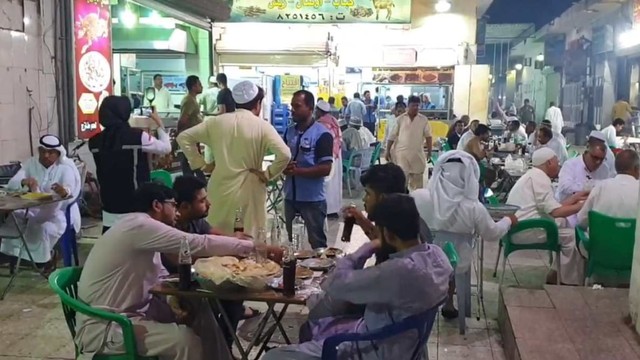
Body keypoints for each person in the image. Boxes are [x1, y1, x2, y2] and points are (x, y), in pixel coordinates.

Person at [75, 183, 280, 360]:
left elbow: (161, 275)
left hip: (136, 311)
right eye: (173, 205)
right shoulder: (139, 226)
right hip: (109, 324)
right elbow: (195, 243)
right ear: (157, 205)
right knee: (185, 341)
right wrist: (257, 247)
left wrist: (176, 303)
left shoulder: (142, 232)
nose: (178, 213)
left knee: (199, 306)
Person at [263, 194, 452, 360]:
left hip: (373, 348)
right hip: (405, 344)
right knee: (316, 324)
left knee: (274, 356)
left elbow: (336, 285)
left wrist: (365, 250)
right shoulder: (437, 257)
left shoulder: (399, 271)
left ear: (388, 234)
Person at [412, 150, 517, 319]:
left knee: (441, 252)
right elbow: (492, 234)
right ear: (470, 176)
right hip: (457, 262)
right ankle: (449, 302)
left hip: (422, 258)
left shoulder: (418, 197)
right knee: (452, 257)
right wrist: (508, 221)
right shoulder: (474, 208)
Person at [177, 81, 291, 235]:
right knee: (248, 238)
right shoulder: (262, 126)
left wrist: (201, 164)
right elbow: (285, 154)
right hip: (249, 190)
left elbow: (183, 137)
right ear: (258, 104)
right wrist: (267, 174)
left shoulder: (216, 122)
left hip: (220, 189)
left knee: (218, 236)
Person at [170, 176, 255, 349]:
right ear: (184, 206)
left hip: (200, 282)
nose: (209, 204)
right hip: (176, 287)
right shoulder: (170, 228)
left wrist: (239, 243)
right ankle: (218, 349)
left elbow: (217, 238)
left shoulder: (195, 221)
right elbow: (182, 260)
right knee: (228, 298)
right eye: (202, 201)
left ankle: (224, 348)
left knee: (234, 295)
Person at [89, 95, 172, 234]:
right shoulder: (136, 136)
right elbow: (165, 148)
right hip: (136, 207)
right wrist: (158, 122)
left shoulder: (94, 141)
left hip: (109, 208)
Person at [506, 148, 588, 285]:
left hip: (521, 225)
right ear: (549, 162)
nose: (559, 165)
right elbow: (555, 212)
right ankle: (568, 281)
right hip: (525, 229)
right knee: (573, 236)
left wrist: (575, 198)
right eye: (557, 162)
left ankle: (556, 273)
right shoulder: (540, 178)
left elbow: (554, 206)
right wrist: (585, 205)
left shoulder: (534, 175)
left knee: (563, 222)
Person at [0, 135, 81, 269]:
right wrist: (24, 181)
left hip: (56, 214)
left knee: (40, 228)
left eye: (51, 152)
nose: (46, 155)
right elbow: (12, 183)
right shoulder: (31, 163)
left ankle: (42, 260)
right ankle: (16, 257)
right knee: (12, 223)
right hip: (30, 210)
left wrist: (63, 191)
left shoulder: (65, 168)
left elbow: (69, 190)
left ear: (58, 153)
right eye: (43, 151)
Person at [342, 164, 434, 259]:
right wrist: (361, 220)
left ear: (383, 198)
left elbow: (386, 254)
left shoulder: (404, 232)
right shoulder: (404, 217)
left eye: (368, 194)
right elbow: (385, 243)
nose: (364, 199)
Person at [283, 90, 333, 249]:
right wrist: (283, 167)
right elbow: (283, 158)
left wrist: (298, 172)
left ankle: (324, 273)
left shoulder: (322, 134)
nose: (293, 110)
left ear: (310, 108)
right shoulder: (289, 131)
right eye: (292, 106)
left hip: (312, 200)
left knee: (317, 243)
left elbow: (325, 168)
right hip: (290, 197)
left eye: (297, 106)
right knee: (290, 243)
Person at [577, 150, 640, 230]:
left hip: (601, 241)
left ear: (616, 168)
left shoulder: (600, 187)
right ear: (637, 169)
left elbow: (581, 220)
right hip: (633, 241)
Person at [386, 95, 432, 191]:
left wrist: (430, 152)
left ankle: (416, 203)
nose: (416, 108)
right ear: (408, 106)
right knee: (402, 181)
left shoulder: (423, 120)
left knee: (417, 185)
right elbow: (391, 136)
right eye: (413, 105)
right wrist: (387, 151)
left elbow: (428, 136)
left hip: (417, 155)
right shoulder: (400, 119)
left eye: (418, 105)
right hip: (402, 155)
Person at [556, 135, 614, 203]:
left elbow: (605, 189)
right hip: (567, 208)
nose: (598, 162)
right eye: (595, 157)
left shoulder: (604, 169)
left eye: (601, 159)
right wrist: (588, 187)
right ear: (587, 152)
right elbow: (565, 187)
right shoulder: (570, 165)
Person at [315, 100, 343, 216]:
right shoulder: (334, 121)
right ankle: (333, 209)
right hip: (336, 156)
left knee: (326, 184)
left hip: (327, 157)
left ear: (319, 111)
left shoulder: (322, 124)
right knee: (334, 185)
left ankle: (327, 209)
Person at [177, 75, 205, 180]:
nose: (201, 87)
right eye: (199, 84)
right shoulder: (189, 100)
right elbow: (183, 119)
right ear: (193, 87)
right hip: (189, 136)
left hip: (193, 136)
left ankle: (196, 183)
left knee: (192, 162)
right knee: (193, 162)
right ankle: (197, 184)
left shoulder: (193, 99)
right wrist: (179, 133)